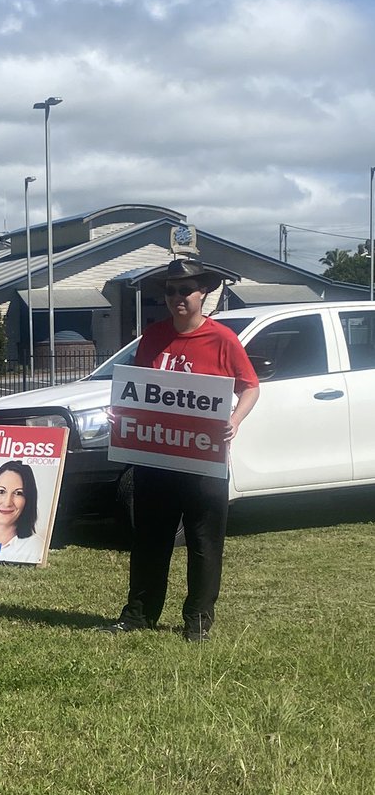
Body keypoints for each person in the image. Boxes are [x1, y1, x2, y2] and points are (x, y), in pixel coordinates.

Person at [106, 260, 260, 641]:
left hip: (203, 459)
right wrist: (122, 415)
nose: (177, 298)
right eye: (170, 291)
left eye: (185, 290)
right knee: (150, 540)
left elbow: (251, 386)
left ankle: (197, 620)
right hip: (156, 458)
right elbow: (141, 389)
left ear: (202, 293)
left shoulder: (223, 339)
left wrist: (235, 420)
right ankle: (139, 614)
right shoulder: (153, 337)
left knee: (204, 543)